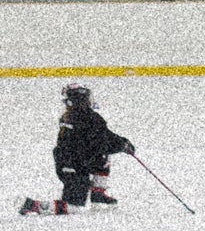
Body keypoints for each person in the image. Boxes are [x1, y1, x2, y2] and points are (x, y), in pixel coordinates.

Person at [19, 84, 133, 217]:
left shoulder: (70, 116)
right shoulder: (90, 118)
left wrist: (122, 142)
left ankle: (98, 194)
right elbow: (103, 142)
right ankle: (34, 205)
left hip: (69, 163)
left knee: (103, 157)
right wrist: (122, 145)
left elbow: (103, 137)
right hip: (76, 167)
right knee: (74, 207)